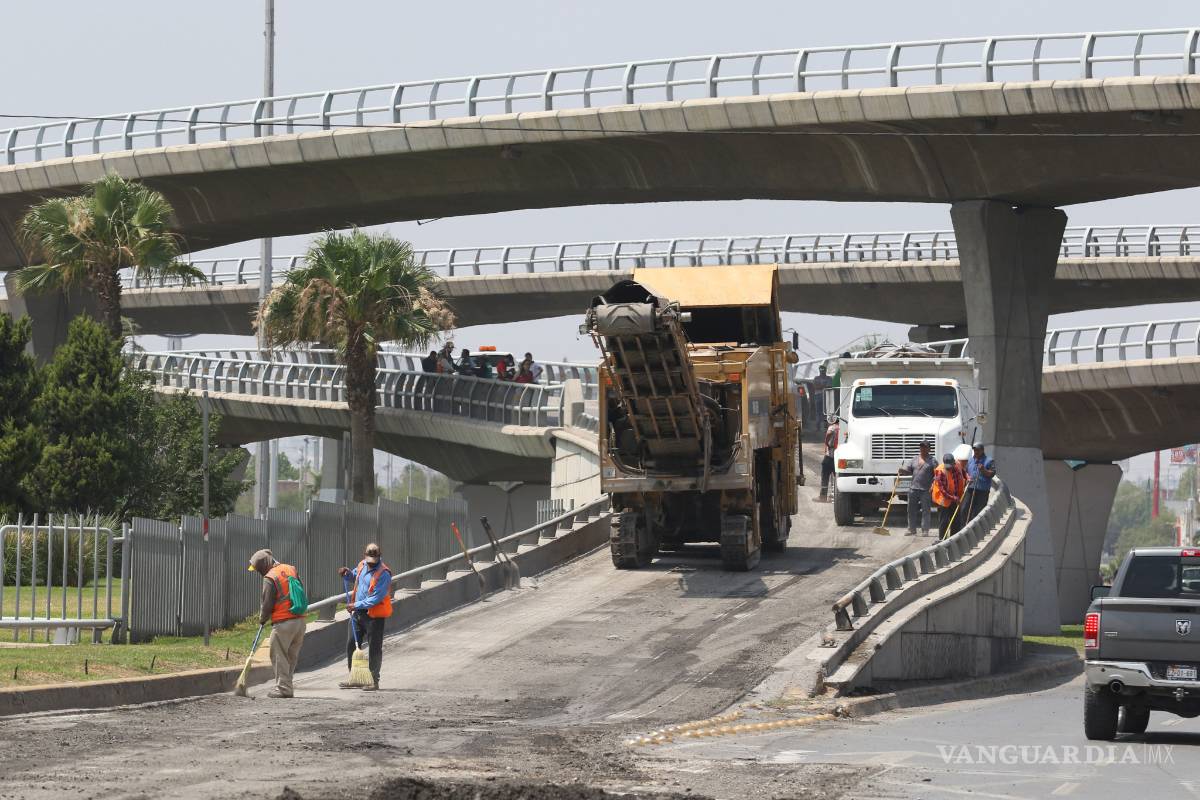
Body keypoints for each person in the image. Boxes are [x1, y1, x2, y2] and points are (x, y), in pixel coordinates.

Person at [248, 549, 307, 699]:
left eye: (257, 569)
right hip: (300, 621)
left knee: (278, 654)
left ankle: (283, 688)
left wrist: (262, 618)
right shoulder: (290, 569)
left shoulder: (270, 577)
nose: (258, 572)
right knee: (290, 656)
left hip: (284, 622)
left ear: (262, 565)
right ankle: (287, 685)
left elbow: (267, 603)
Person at [337, 543, 392, 691]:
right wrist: (347, 574)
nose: (370, 564)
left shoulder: (384, 573)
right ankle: (355, 677)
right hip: (357, 614)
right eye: (369, 560)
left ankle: (374, 680)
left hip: (374, 617)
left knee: (374, 648)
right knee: (351, 645)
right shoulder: (362, 565)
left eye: (373, 561)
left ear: (379, 557)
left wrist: (355, 605)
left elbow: (375, 598)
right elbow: (356, 577)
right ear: (365, 556)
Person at [899, 440, 936, 536]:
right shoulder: (914, 459)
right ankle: (911, 529)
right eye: (921, 447)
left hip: (926, 489)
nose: (923, 448)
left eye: (925, 447)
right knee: (911, 510)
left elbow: (937, 475)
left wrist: (933, 485)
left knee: (926, 510)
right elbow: (908, 471)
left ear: (929, 449)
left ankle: (925, 530)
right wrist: (902, 471)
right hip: (913, 489)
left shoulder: (933, 460)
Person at [932, 453, 967, 539]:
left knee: (955, 520)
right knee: (944, 521)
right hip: (944, 499)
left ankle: (954, 539)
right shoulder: (940, 472)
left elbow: (963, 472)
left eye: (950, 466)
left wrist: (967, 477)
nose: (949, 468)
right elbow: (943, 491)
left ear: (954, 463)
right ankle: (942, 539)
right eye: (947, 466)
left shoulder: (958, 465)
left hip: (956, 497)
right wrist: (953, 498)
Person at [964, 443, 996, 521]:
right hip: (970, 488)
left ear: (982, 450)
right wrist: (967, 478)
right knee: (964, 509)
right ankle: (964, 528)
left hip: (982, 491)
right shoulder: (971, 460)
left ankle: (974, 530)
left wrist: (983, 470)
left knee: (977, 512)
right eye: (974, 450)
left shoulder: (989, 460)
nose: (976, 452)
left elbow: (992, 473)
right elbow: (965, 472)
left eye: (978, 450)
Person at [819, 418, 840, 501]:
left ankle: (823, 496)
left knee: (825, 476)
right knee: (837, 477)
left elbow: (829, 433)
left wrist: (827, 442)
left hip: (830, 457)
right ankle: (836, 496)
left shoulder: (833, 427)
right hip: (839, 457)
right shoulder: (843, 427)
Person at [811, 364, 833, 430]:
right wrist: (824, 386)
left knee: (819, 411)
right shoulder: (829, 379)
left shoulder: (816, 378)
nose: (822, 372)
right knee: (825, 411)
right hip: (825, 396)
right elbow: (828, 387)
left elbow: (815, 387)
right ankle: (825, 426)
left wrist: (819, 386)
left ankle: (819, 426)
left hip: (818, 396)